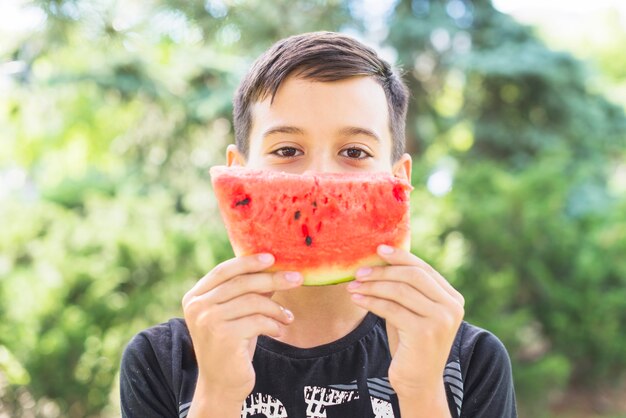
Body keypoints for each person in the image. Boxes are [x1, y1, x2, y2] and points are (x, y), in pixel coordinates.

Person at [120, 31, 517, 418]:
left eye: (354, 151)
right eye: (287, 150)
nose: (320, 177)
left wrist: (421, 391)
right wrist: (218, 395)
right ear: (239, 175)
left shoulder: (471, 359)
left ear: (399, 180)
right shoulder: (162, 360)